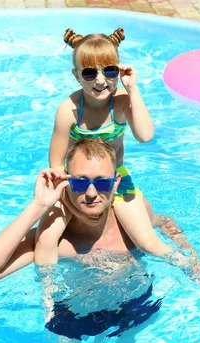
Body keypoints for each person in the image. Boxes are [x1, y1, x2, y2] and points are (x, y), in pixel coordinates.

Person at [0, 139, 200, 338]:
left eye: (102, 182)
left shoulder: (133, 221)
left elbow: (166, 222)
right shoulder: (57, 240)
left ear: (116, 182)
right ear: (66, 181)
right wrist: (37, 206)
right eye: (79, 182)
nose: (90, 193)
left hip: (136, 304)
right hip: (74, 314)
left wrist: (192, 258)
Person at [34, 27, 174, 267]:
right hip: (75, 184)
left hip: (115, 180)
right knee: (46, 239)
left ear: (119, 70)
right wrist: (64, 193)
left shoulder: (120, 102)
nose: (100, 80)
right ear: (76, 75)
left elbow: (145, 135)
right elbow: (56, 162)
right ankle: (48, 295)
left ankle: (195, 268)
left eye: (109, 71)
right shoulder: (69, 110)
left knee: (149, 244)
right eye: (89, 73)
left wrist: (132, 88)